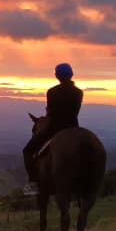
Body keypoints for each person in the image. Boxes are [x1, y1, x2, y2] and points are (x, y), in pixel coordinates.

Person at [22, 63, 83, 196]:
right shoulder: (79, 92)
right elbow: (75, 112)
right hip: (73, 128)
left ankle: (33, 183)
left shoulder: (52, 92)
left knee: (27, 151)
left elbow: (52, 114)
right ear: (71, 74)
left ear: (57, 76)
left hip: (55, 128)